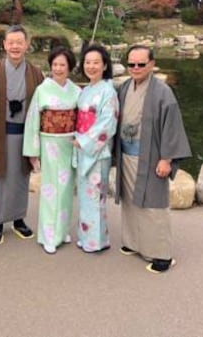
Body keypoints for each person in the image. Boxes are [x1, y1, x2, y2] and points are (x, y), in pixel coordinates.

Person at [115, 44, 192, 274]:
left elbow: (171, 126)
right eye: (131, 64)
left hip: (151, 156)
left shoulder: (162, 92)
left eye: (141, 64)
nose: (135, 68)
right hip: (126, 154)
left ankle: (162, 254)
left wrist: (166, 158)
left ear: (151, 64)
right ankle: (134, 243)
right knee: (130, 200)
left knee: (153, 205)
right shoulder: (125, 87)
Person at [0, 25, 44, 244]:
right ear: (4, 45)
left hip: (24, 135)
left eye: (20, 42)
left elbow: (44, 107)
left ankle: (18, 219)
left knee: (20, 178)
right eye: (11, 42)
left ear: (27, 45)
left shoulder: (36, 73)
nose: (15, 46)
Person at [23, 46, 81, 254]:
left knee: (66, 190)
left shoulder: (76, 91)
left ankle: (62, 230)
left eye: (62, 65)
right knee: (49, 190)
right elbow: (33, 121)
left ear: (70, 67)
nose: (58, 68)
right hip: (48, 142)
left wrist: (82, 140)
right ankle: (48, 236)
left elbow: (82, 120)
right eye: (55, 64)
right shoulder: (42, 89)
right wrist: (33, 151)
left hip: (69, 143)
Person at [73, 44, 119, 253]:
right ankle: (88, 236)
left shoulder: (108, 91)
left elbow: (108, 123)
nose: (91, 66)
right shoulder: (87, 90)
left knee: (95, 197)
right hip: (84, 147)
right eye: (87, 62)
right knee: (86, 196)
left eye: (96, 63)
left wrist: (83, 141)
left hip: (98, 151)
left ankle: (96, 241)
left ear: (105, 65)